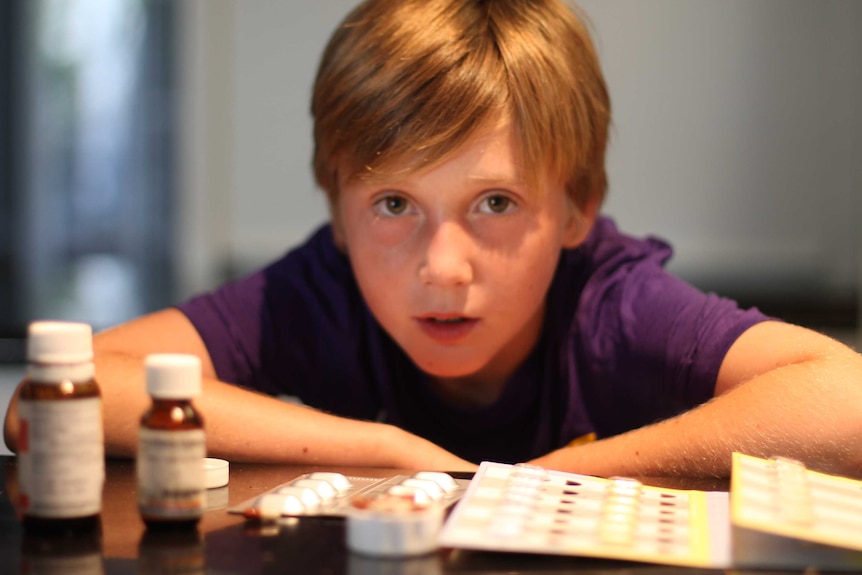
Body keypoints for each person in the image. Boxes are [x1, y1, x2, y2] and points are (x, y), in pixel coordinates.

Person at [6, 0, 862, 478]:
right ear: (337, 210)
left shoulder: (611, 303)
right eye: (392, 204)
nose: (441, 268)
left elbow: (847, 399)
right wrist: (382, 447)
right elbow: (49, 405)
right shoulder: (322, 294)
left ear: (577, 208)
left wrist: (560, 473)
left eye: (494, 202)